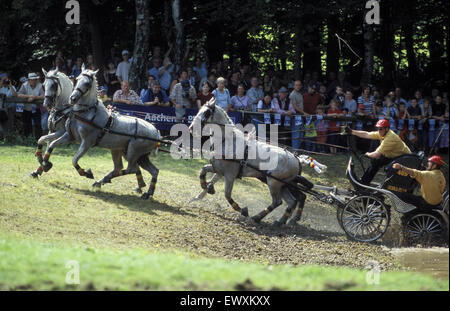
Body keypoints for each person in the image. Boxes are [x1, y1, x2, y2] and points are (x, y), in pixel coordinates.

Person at [348, 119, 411, 185]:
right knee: (376, 162)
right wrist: (352, 131)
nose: (379, 131)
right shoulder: (383, 133)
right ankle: (364, 182)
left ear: (386, 129)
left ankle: (364, 182)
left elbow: (376, 154)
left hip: (404, 159)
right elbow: (367, 134)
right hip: (397, 156)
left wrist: (367, 154)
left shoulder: (390, 138)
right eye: (378, 128)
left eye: (380, 129)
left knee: (376, 161)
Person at [17, 73, 45, 139]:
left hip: (37, 108)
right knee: (26, 124)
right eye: (31, 80)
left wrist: (35, 97)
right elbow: (19, 94)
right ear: (29, 80)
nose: (33, 81)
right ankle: (27, 139)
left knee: (38, 125)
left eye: (34, 79)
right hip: (26, 108)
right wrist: (29, 96)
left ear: (36, 80)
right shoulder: (24, 85)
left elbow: (43, 96)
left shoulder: (40, 85)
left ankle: (38, 140)